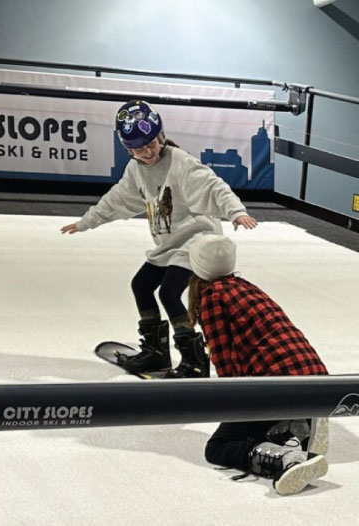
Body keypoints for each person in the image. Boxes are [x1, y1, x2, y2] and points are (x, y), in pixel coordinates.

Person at [61, 100, 258, 378]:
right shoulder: (135, 170)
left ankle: (195, 360)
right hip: (169, 244)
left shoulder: (181, 163)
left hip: (195, 242)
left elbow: (214, 186)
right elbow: (116, 200)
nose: (147, 151)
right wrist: (86, 222)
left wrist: (236, 212)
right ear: (128, 149)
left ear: (160, 136)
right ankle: (156, 353)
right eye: (139, 148)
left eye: (151, 143)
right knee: (141, 285)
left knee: (168, 292)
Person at [188, 234, 329, 496]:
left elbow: (226, 363)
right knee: (255, 424)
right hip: (317, 379)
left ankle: (286, 459)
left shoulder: (212, 297)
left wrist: (235, 412)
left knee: (219, 446)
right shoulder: (246, 286)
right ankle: (298, 422)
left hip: (277, 386)